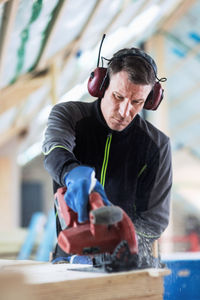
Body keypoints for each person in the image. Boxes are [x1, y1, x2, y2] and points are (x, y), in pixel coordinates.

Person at [42, 47, 172, 265]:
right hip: (69, 256)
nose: (124, 111)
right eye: (118, 96)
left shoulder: (157, 146)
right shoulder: (68, 115)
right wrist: (71, 172)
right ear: (101, 85)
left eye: (137, 102)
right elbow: (54, 149)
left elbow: (154, 220)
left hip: (126, 259)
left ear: (150, 100)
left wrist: (116, 243)